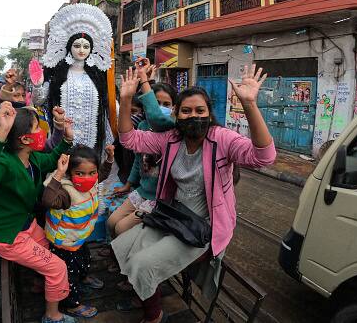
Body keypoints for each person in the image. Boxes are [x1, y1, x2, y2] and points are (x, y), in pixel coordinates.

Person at [112, 65, 276, 323]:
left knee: (144, 264)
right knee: (126, 245)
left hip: (204, 227)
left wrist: (249, 104)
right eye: (186, 111)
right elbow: (129, 140)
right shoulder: (171, 139)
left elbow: (264, 158)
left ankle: (153, 316)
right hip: (174, 215)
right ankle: (148, 300)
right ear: (176, 115)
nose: (193, 116)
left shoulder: (222, 139)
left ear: (209, 114)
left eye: (200, 111)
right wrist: (125, 99)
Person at [0, 102, 77, 323]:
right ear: (25, 139)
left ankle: (42, 284)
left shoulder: (32, 158)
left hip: (25, 225)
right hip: (8, 235)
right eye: (37, 128)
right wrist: (1, 131)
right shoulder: (5, 163)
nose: (42, 132)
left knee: (46, 246)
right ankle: (52, 316)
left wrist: (67, 139)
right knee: (58, 267)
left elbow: (50, 159)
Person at [41, 145, 115, 318]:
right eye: (80, 173)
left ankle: (83, 279)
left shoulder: (89, 181)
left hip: (78, 239)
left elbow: (102, 174)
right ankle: (72, 304)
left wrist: (110, 159)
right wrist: (59, 173)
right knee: (68, 277)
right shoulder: (65, 192)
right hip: (64, 245)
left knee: (84, 261)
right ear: (69, 173)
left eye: (92, 172)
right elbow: (48, 200)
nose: (87, 178)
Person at [31, 3, 114, 152]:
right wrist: (37, 85)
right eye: (77, 46)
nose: (81, 50)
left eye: (86, 46)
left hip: (91, 146)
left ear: (91, 49)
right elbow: (38, 101)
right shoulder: (58, 76)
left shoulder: (98, 78)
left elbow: (108, 110)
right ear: (69, 46)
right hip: (62, 143)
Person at [108, 80, 177, 237]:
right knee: (111, 222)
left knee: (121, 228)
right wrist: (129, 184)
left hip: (159, 199)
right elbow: (138, 161)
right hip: (142, 191)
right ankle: (116, 252)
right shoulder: (142, 127)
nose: (159, 107)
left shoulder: (174, 131)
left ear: (174, 107)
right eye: (156, 102)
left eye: (166, 104)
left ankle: (124, 255)